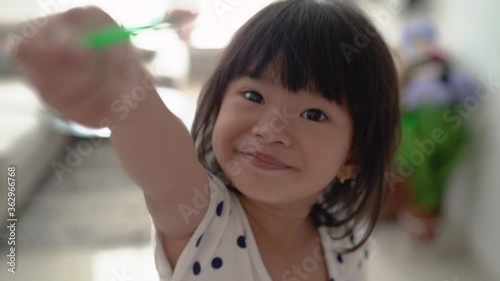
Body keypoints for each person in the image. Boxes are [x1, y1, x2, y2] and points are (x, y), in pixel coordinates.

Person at [9, 0, 400, 280]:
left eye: (314, 114)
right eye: (253, 96)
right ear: (216, 108)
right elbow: (161, 155)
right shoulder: (202, 219)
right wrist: (122, 90)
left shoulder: (345, 240)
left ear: (354, 156)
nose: (270, 129)